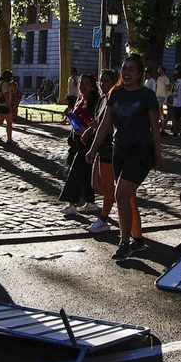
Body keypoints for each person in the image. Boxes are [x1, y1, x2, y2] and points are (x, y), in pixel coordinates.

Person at [86, 54, 164, 259]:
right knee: (128, 198)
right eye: (124, 68)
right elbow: (105, 125)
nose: (127, 72)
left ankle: (124, 242)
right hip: (119, 150)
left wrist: (158, 154)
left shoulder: (147, 95)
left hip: (140, 152)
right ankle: (138, 240)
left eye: (131, 69)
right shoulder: (116, 94)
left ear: (139, 74)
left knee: (120, 195)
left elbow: (155, 129)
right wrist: (93, 149)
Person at [61, 72, 102, 218]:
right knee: (85, 175)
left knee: (75, 172)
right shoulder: (80, 101)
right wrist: (70, 115)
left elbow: (96, 124)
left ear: (92, 87)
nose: (83, 86)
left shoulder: (93, 103)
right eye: (81, 83)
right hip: (77, 141)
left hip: (87, 143)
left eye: (86, 83)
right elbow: (77, 121)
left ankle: (71, 204)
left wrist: (86, 129)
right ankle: (90, 202)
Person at [86, 68, 120, 236]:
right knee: (96, 184)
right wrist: (90, 130)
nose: (102, 84)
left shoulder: (115, 100)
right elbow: (100, 123)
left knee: (107, 186)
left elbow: (111, 126)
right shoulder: (101, 100)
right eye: (101, 80)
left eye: (106, 81)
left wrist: (99, 129)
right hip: (100, 146)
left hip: (110, 146)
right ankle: (113, 200)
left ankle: (103, 219)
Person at [0, 69, 20, 144]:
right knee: (9, 123)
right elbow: (6, 94)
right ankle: (9, 139)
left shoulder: (0, 82)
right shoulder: (6, 84)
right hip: (5, 106)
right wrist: (9, 104)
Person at [154, 65, 172, 130]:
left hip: (162, 95)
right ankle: (162, 119)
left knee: (157, 107)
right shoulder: (159, 78)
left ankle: (160, 119)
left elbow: (167, 88)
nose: (158, 70)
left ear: (163, 71)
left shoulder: (166, 78)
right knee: (159, 108)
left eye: (159, 69)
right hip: (157, 95)